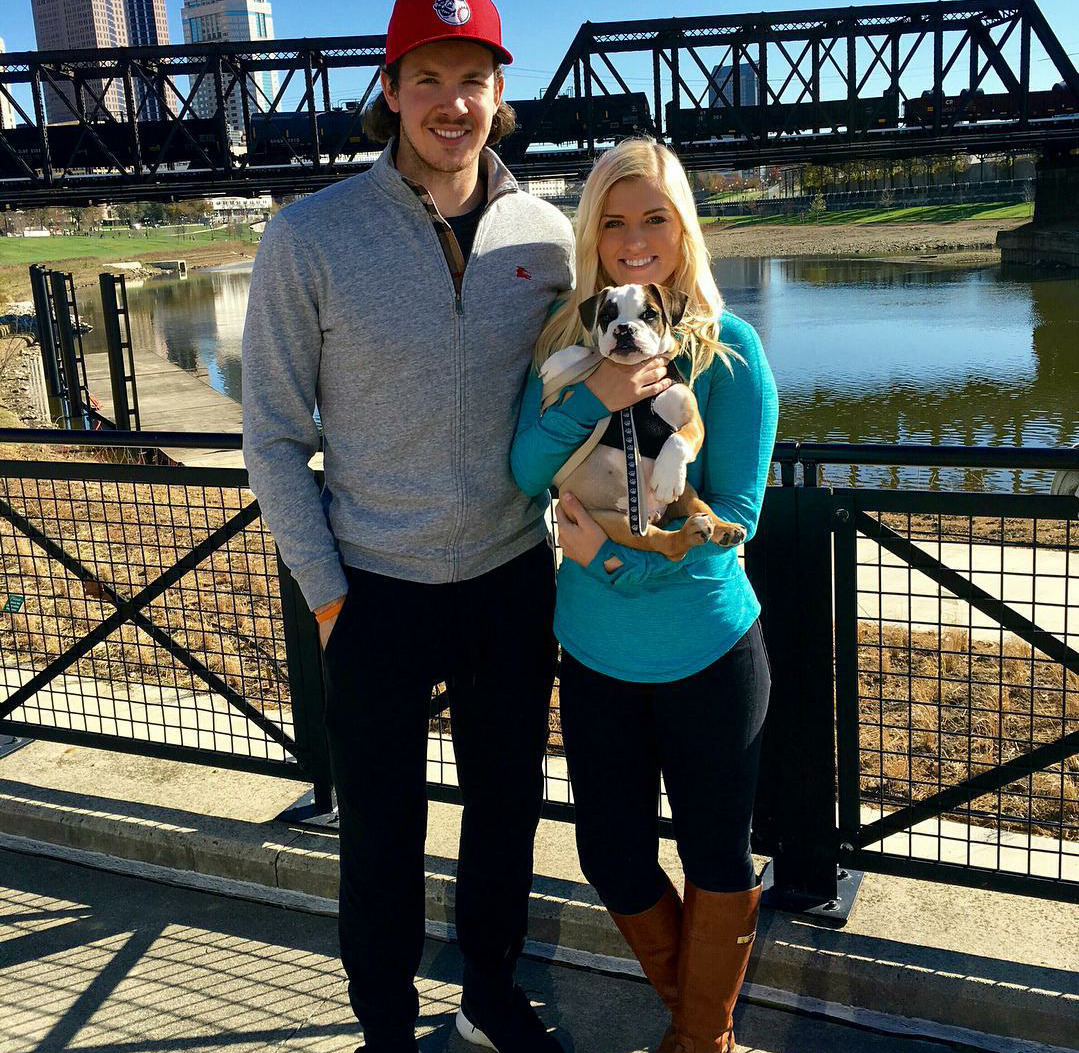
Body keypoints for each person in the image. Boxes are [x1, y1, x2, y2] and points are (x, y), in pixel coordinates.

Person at [241, 2, 573, 1050]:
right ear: (388, 90)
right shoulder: (309, 234)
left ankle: (487, 993)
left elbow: (580, 393)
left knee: (505, 807)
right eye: (425, 78)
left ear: (497, 95)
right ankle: (382, 1020)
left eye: (471, 77)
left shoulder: (550, 235)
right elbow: (273, 436)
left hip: (513, 572)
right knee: (380, 830)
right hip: (372, 582)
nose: (451, 102)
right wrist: (327, 592)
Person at [511, 138, 778, 1053]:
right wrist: (601, 391)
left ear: (683, 230)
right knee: (610, 855)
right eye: (614, 220)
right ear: (591, 233)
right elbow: (523, 466)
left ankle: (701, 1039)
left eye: (653, 218)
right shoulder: (566, 340)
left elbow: (733, 515)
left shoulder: (729, 349)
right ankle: (700, 1026)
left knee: (715, 854)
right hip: (593, 653)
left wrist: (608, 559)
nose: (634, 239)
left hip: (707, 644)